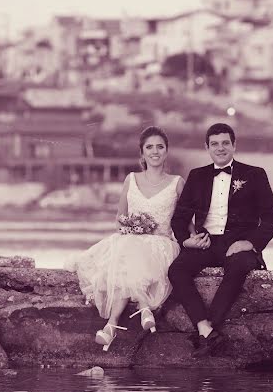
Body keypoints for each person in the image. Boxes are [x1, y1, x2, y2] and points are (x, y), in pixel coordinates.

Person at [66, 126, 184, 351]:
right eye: (149, 147)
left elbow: (184, 222)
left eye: (160, 147)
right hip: (132, 239)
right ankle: (143, 308)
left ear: (167, 151)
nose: (155, 151)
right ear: (142, 152)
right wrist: (132, 227)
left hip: (161, 244)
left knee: (129, 259)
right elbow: (120, 218)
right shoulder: (131, 180)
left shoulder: (177, 182)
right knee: (127, 251)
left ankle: (112, 325)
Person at [168, 123, 273, 357]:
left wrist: (249, 243)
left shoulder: (255, 174)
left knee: (239, 266)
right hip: (205, 243)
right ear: (207, 148)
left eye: (225, 143)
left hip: (238, 243)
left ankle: (207, 329)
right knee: (176, 270)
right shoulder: (197, 176)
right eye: (215, 144)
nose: (220, 148)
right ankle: (204, 328)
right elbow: (179, 218)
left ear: (234, 145)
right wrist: (186, 240)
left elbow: (272, 219)